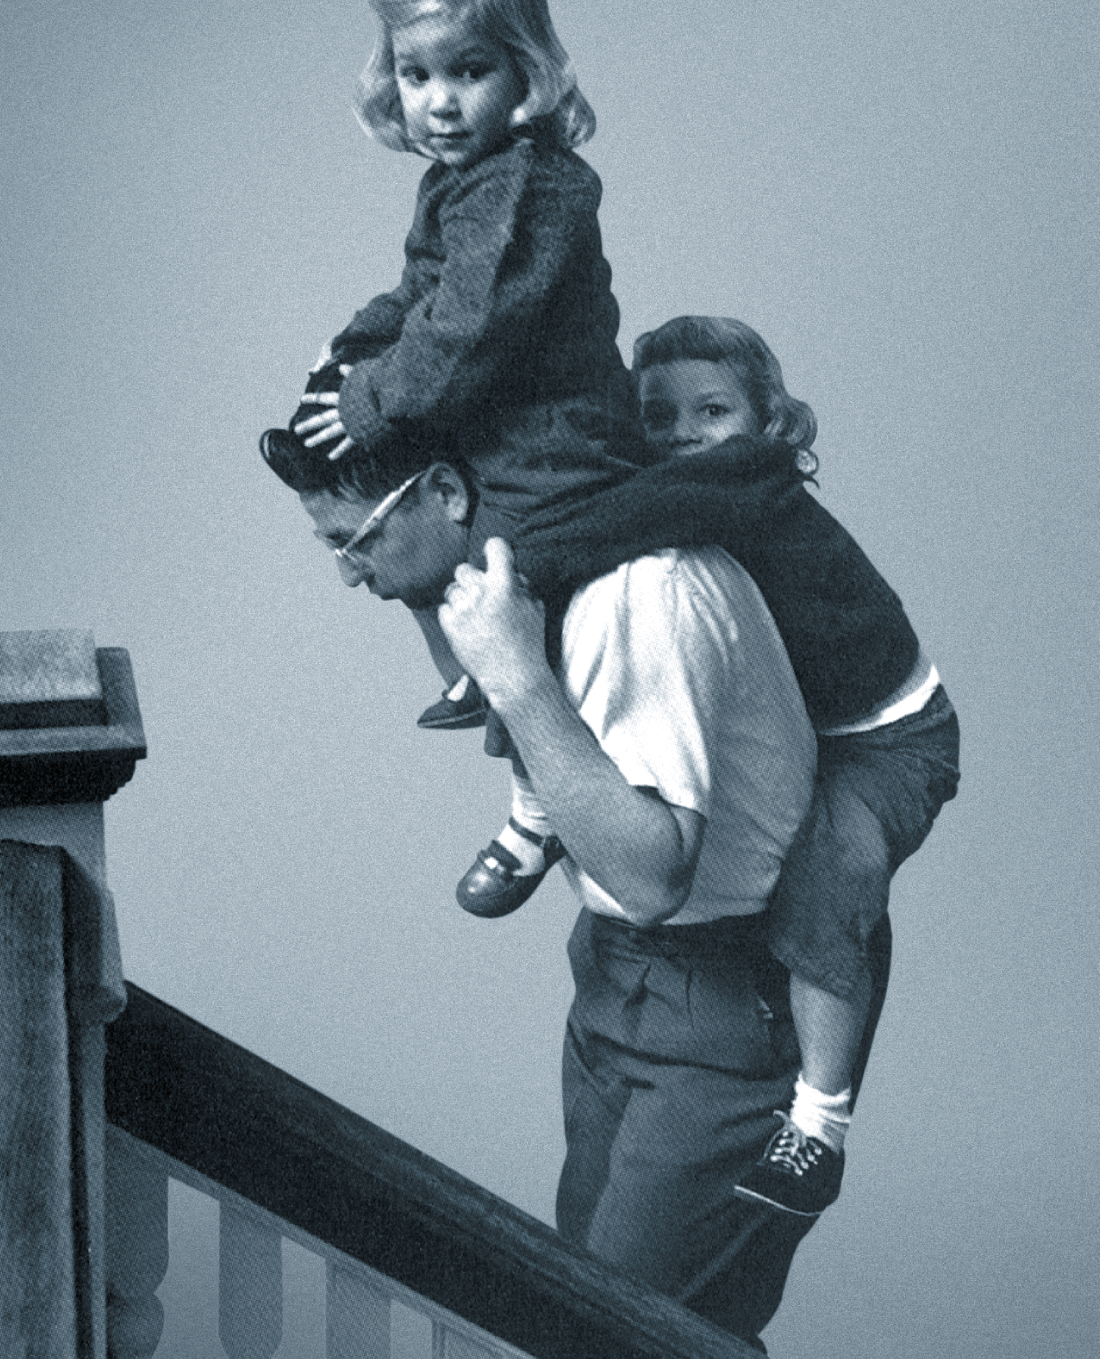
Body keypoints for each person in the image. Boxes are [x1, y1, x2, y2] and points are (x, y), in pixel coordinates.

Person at [261, 430, 839, 1345]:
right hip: (616, 977)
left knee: (612, 1332)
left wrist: (518, 675)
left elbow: (650, 875)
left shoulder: (640, 593)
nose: (345, 572)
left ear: (446, 492)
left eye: (355, 539)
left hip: (725, 997)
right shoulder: (532, 573)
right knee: (628, 1318)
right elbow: (492, 700)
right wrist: (459, 627)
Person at [456, 316, 960, 1219]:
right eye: (659, 416)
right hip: (813, 715)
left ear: (768, 423)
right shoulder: (673, 500)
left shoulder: (745, 482)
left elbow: (619, 518)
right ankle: (535, 817)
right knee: (553, 653)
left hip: (888, 735)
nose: (685, 433)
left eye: (713, 411)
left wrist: (516, 569)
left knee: (829, 876)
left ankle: (819, 1125)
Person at [289, 0, 642, 731]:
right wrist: (350, 348)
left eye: (469, 71)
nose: (439, 101)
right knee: (402, 523)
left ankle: (527, 702)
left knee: (488, 557)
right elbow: (421, 288)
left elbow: (467, 329)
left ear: (526, 68)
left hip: (555, 445)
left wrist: (368, 401)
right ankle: (484, 679)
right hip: (498, 425)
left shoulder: (524, 189)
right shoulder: (463, 180)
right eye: (416, 74)